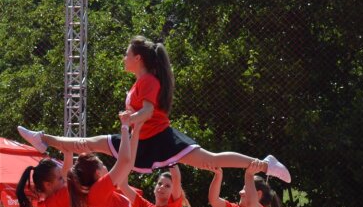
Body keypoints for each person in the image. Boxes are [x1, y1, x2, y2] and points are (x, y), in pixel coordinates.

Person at [19, 36, 290, 182]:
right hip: (140, 139)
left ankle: (266, 165)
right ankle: (41, 139)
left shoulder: (148, 81)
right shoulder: (139, 82)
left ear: (137, 58)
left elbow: (148, 112)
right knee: (84, 143)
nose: (123, 58)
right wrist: (130, 122)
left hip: (160, 139)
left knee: (213, 160)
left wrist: (130, 119)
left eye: (126, 54)